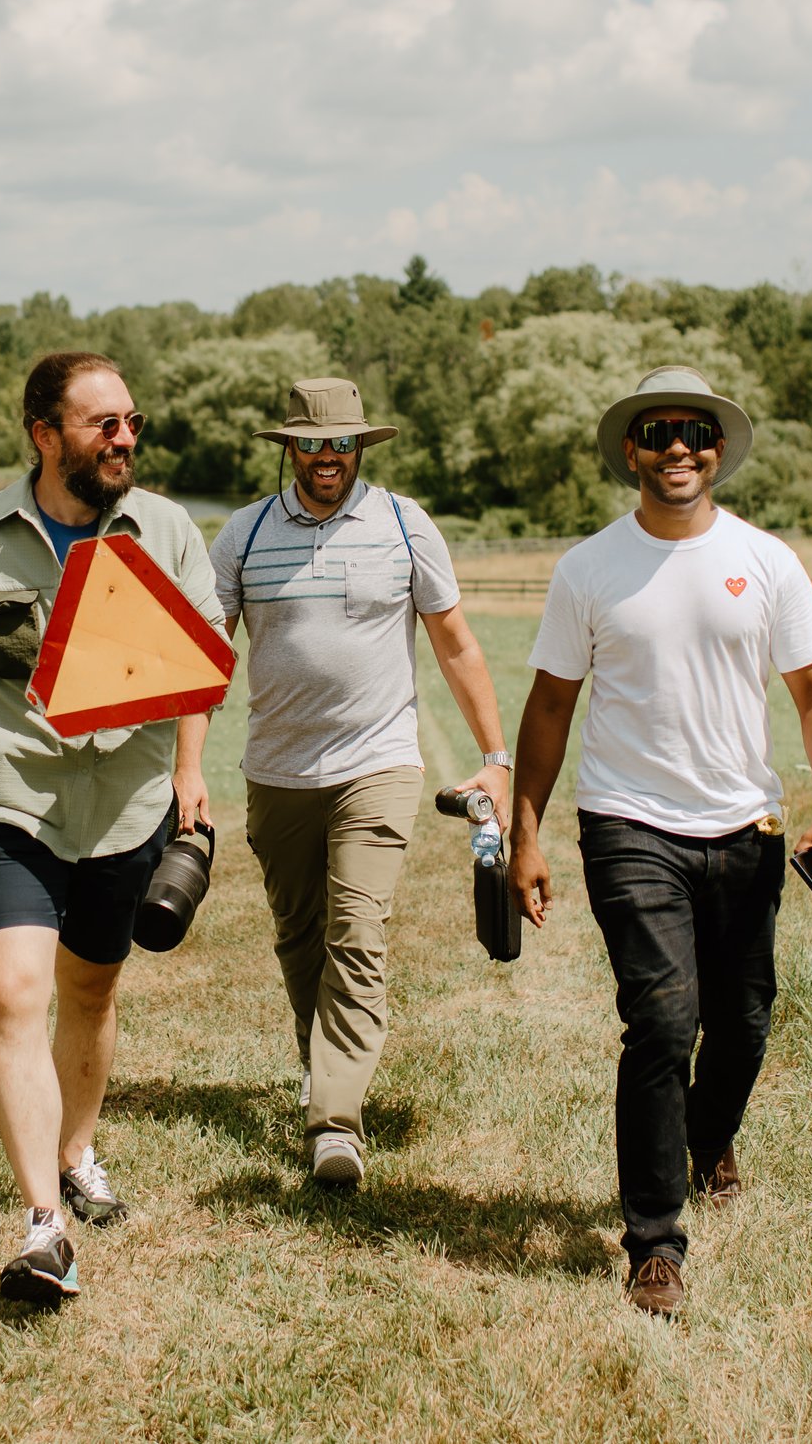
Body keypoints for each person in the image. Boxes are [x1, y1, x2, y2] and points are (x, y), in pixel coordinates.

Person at [0, 350, 219, 1306]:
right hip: (5, 797)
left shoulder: (167, 529)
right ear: (44, 435)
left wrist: (189, 770)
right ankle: (42, 1226)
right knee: (16, 994)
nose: (126, 438)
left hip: (126, 807)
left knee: (90, 993)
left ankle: (75, 1150)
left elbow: (201, 656)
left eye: (132, 421)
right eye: (105, 424)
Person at [507, 365, 812, 1318]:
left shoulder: (767, 560)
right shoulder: (589, 568)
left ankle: (709, 1136)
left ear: (717, 449)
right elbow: (550, 704)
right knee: (662, 1024)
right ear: (631, 449)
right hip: (628, 824)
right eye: (659, 432)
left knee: (742, 1023)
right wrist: (524, 831)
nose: (678, 449)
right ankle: (656, 1239)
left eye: (695, 433)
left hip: (745, 827)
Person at [209, 378, 511, 1187]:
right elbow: (205, 661)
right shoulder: (242, 536)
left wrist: (496, 755)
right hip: (276, 772)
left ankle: (335, 1121)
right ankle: (325, 1064)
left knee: (357, 929)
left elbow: (455, 644)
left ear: (361, 448)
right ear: (289, 449)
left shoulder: (406, 526)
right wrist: (180, 770)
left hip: (378, 764)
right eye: (312, 443)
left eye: (341, 443)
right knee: (300, 934)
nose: (327, 457)